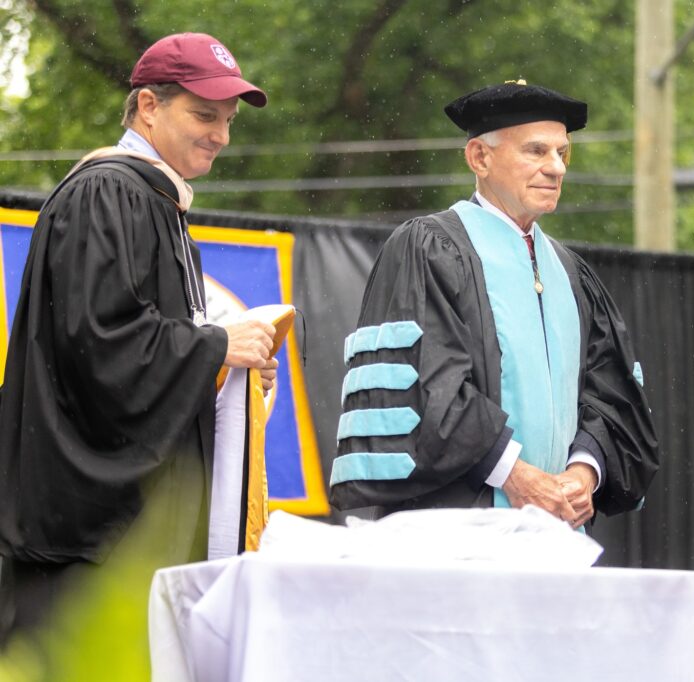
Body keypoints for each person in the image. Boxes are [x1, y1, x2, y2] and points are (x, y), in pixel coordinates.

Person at [0, 32, 276, 641]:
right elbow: (97, 342)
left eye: (228, 121)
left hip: (120, 535)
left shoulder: (155, 200)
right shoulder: (109, 192)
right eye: (204, 115)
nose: (221, 136)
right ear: (149, 106)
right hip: (84, 542)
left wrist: (229, 364)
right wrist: (214, 346)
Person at [331, 81, 659, 526]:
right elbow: (427, 383)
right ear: (479, 158)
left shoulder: (570, 271)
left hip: (556, 531)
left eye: (563, 153)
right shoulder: (430, 247)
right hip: (455, 532)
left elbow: (610, 392)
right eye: (536, 151)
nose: (556, 167)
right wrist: (514, 474)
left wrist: (585, 471)